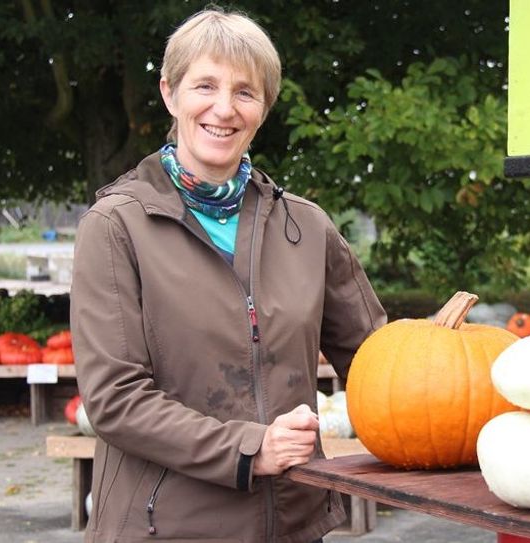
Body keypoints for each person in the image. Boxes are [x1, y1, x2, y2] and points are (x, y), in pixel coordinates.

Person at [70, 7, 386, 542]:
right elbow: (115, 399)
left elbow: (380, 363)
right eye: (205, 86)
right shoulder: (115, 227)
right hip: (166, 528)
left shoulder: (306, 227)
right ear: (170, 94)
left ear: (263, 108)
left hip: (292, 523)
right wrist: (248, 448)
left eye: (246, 92)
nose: (224, 108)